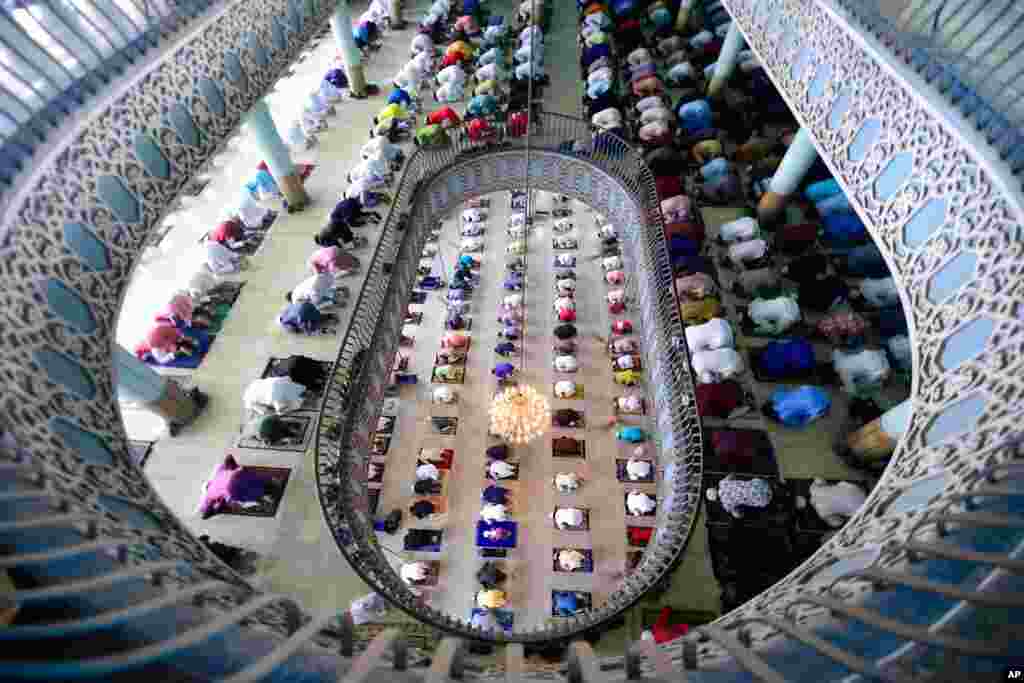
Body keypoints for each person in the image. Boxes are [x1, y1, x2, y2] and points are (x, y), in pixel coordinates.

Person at [708, 475, 773, 518]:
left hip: (762, 499)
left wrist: (740, 514)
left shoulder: (726, 505)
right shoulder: (722, 483)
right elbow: (732, 475)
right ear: (715, 488)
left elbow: (737, 515)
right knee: (752, 483)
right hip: (760, 485)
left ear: (716, 500)